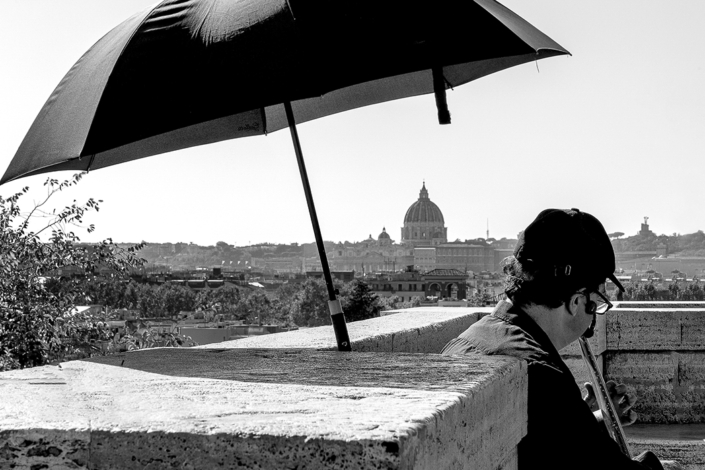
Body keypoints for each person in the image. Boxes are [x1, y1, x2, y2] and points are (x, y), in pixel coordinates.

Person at [441, 208, 680, 470]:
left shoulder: (462, 342)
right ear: (577, 301)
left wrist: (588, 420)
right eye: (599, 302)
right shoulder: (543, 377)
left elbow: (543, 443)